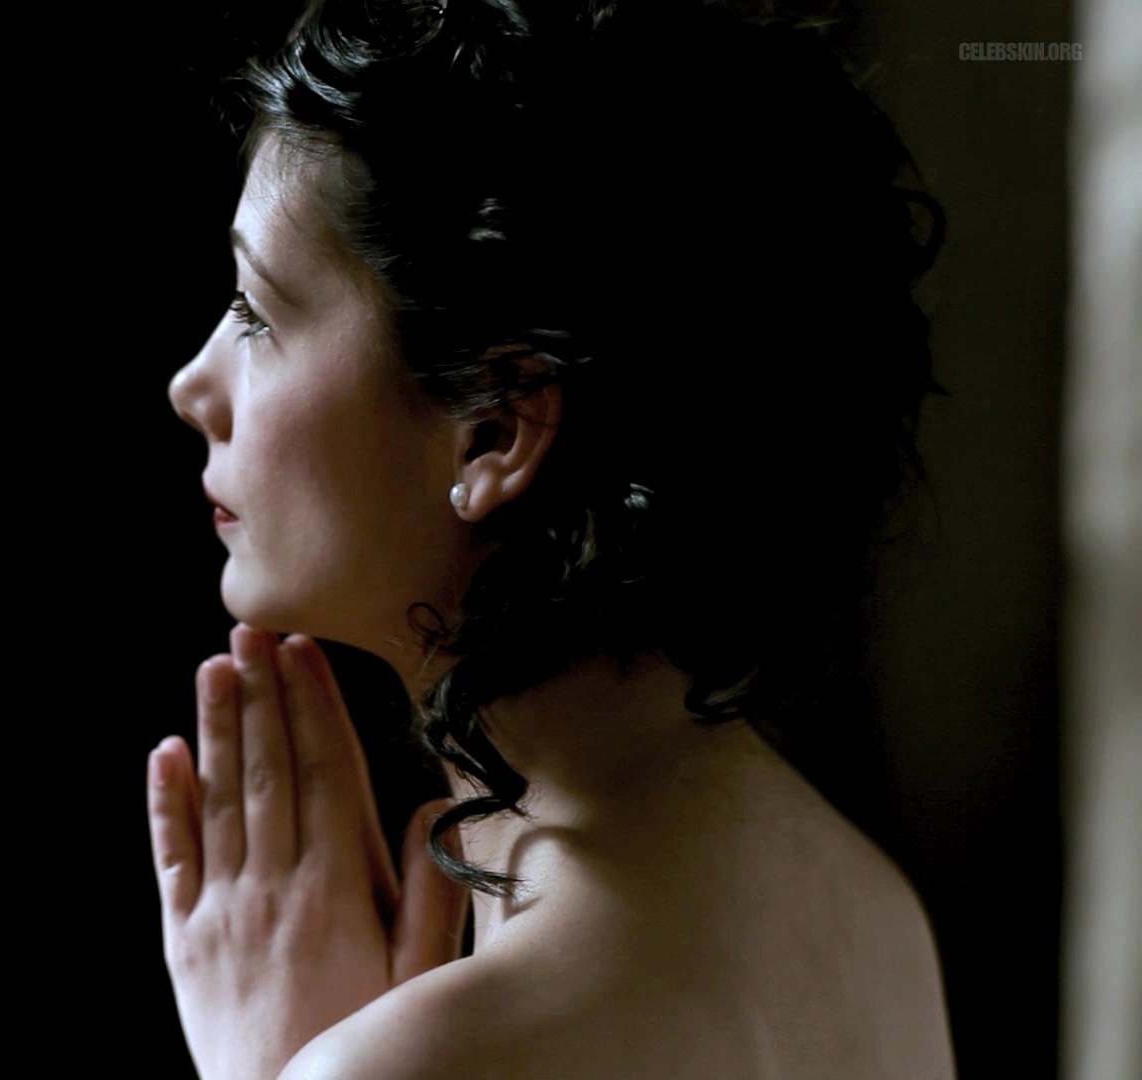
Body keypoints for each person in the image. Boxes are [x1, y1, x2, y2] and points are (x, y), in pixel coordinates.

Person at [145, 0, 958, 1076]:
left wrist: (271, 1063)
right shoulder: (867, 910)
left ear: (496, 428)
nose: (191, 385)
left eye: (256, 313)